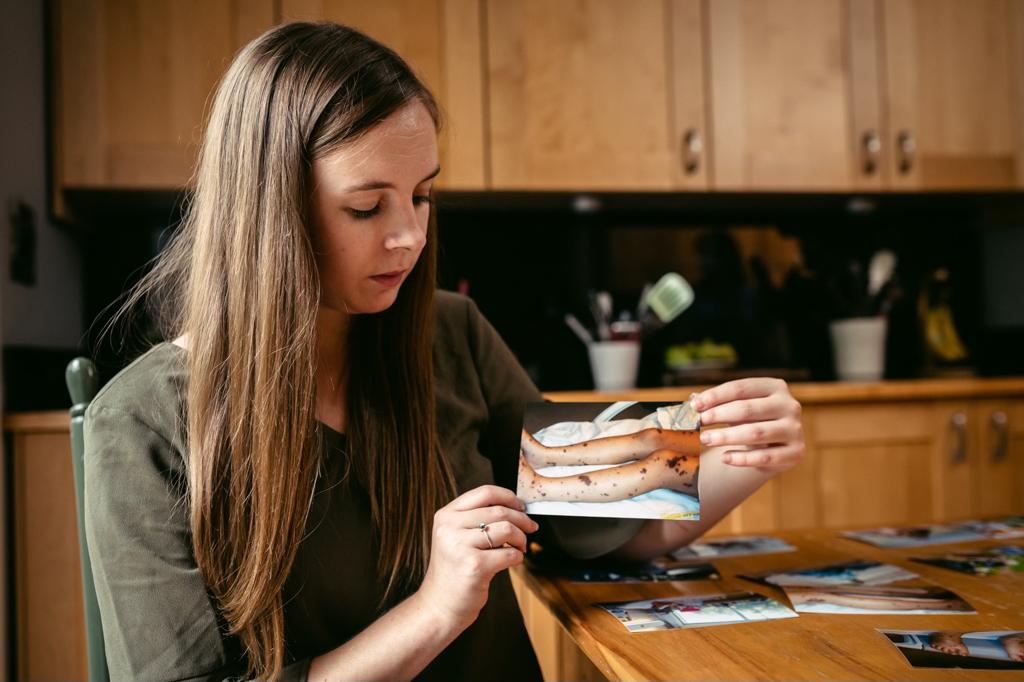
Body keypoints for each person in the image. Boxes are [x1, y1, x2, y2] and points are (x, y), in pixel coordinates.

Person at [83, 21, 805, 682]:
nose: (409, 236)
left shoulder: (450, 333)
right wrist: (433, 612)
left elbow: (604, 527)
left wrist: (736, 453)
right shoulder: (142, 425)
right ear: (270, 210)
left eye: (423, 196)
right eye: (367, 207)